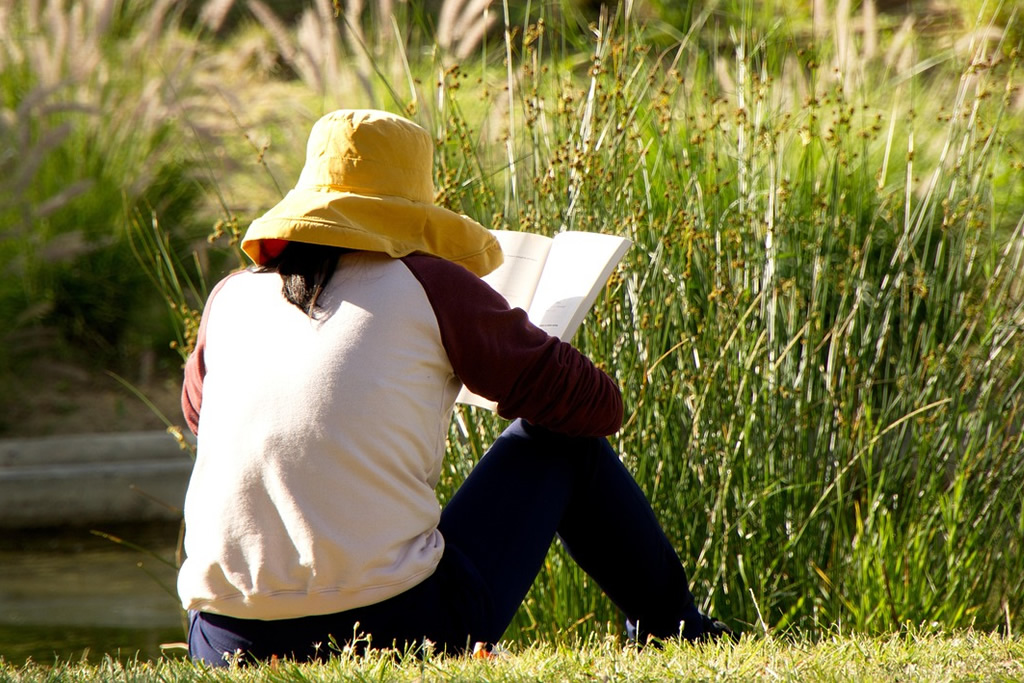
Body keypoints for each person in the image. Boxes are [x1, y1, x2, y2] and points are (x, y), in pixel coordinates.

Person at [178, 109, 731, 665]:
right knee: (562, 443)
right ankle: (675, 629)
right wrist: (524, 344)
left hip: (225, 642)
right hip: (395, 630)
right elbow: (596, 407)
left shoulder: (229, 297)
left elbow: (202, 418)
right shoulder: (430, 282)